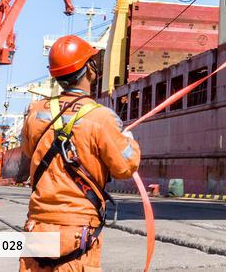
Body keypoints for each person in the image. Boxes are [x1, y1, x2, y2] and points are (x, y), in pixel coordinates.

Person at [19, 35, 140, 272]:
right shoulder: (101, 118)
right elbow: (125, 167)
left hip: (38, 228)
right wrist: (129, 142)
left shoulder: (35, 113)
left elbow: (27, 151)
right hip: (77, 233)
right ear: (90, 70)